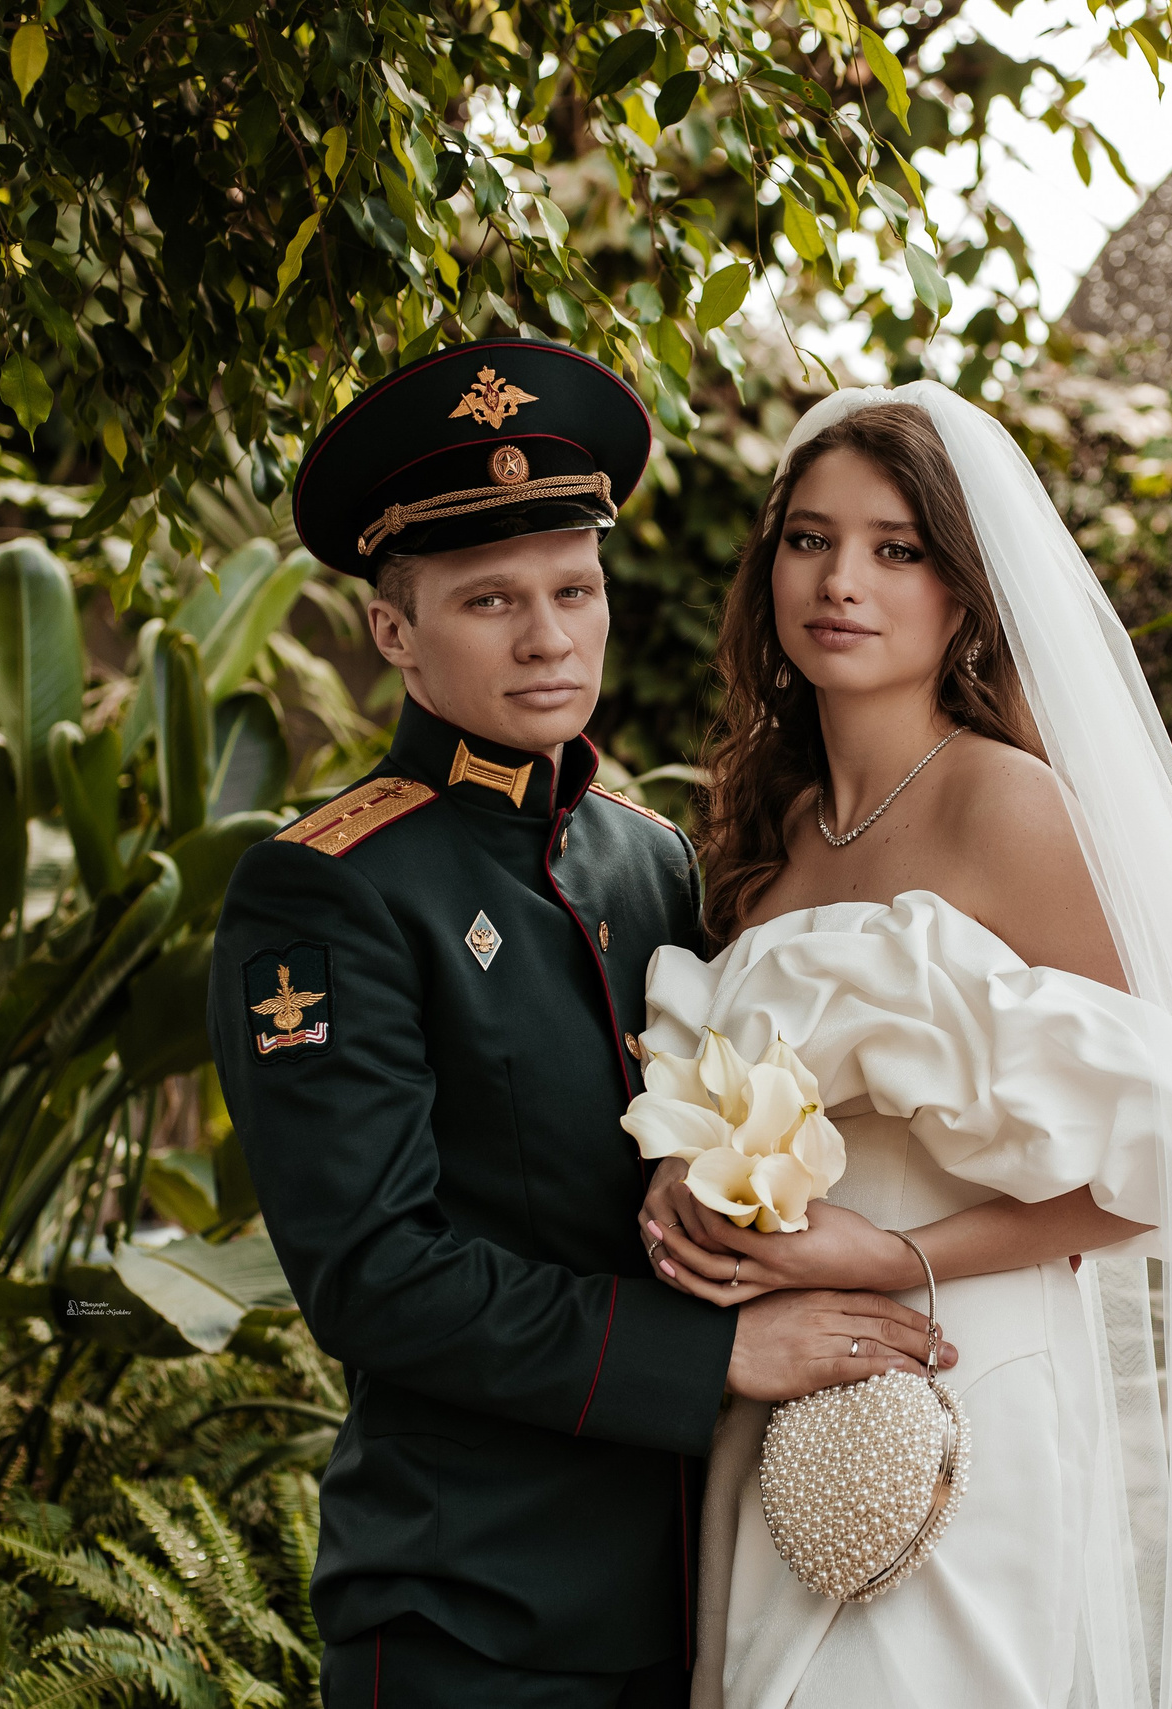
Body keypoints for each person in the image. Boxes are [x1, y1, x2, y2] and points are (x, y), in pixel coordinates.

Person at [208, 337, 950, 1709]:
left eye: (574, 588)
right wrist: (717, 1355)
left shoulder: (646, 859)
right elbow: (373, 1272)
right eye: (489, 599)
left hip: (695, 1591)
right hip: (469, 1610)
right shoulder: (327, 890)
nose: (548, 637)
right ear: (392, 631)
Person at [635, 387, 1172, 1709]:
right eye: (809, 540)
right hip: (785, 1385)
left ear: (964, 594)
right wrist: (684, 1183)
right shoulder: (774, 827)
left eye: (896, 548)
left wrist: (900, 1256)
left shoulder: (1009, 805)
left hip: (960, 1383)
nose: (841, 580)